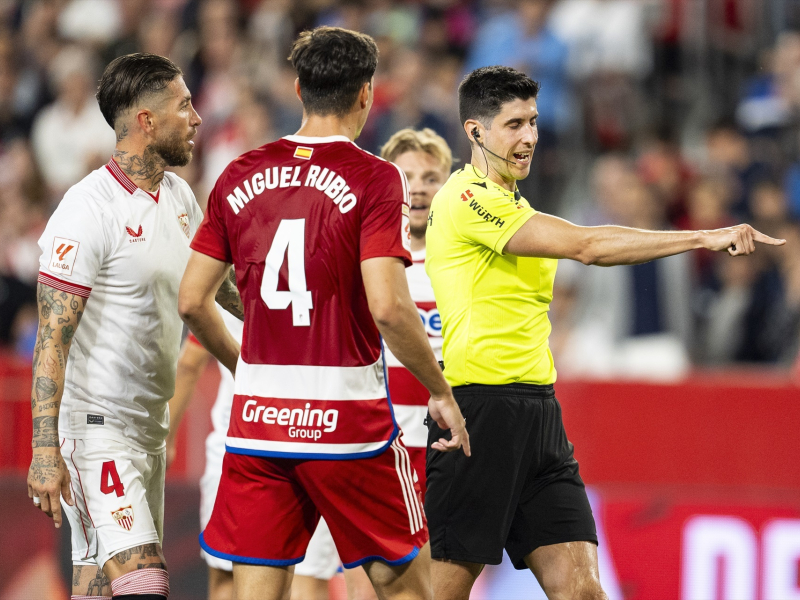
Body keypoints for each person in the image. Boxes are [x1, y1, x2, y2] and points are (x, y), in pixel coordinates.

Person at [424, 65, 785, 600]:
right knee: (440, 592)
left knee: (583, 589)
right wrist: (701, 238)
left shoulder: (516, 203)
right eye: (514, 125)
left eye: (534, 122)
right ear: (475, 132)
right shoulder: (465, 200)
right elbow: (588, 247)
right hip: (480, 414)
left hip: (539, 414)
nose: (530, 138)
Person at [178, 27, 469, 600]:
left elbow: (192, 299)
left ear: (296, 89)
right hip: (349, 427)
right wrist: (440, 390)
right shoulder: (374, 176)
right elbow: (388, 305)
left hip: (258, 425)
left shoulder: (238, 173)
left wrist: (246, 367)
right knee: (411, 589)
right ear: (366, 94)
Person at [25, 53, 241, 600]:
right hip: (95, 426)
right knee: (144, 581)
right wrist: (45, 450)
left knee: (97, 585)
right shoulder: (85, 210)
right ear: (146, 120)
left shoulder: (181, 199)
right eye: (184, 105)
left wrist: (290, 324)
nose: (197, 118)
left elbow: (223, 288)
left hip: (148, 430)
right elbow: (51, 338)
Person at [166, 310, 340, 600]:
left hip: (238, 441)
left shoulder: (230, 274)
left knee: (227, 576)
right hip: (315, 435)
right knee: (307, 578)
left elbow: (188, 360)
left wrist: (167, 442)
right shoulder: (329, 271)